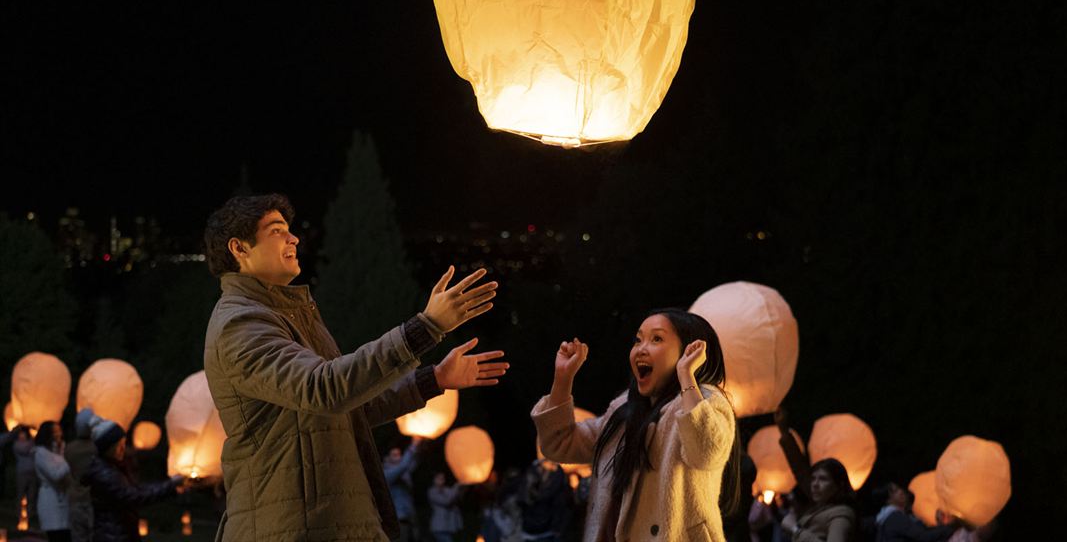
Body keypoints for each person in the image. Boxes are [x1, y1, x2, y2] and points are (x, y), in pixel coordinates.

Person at [202, 193, 509, 542]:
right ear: (239, 249)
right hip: (294, 525)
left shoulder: (291, 315)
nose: (294, 238)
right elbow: (323, 389)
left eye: (289, 230)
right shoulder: (240, 322)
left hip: (331, 521)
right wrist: (424, 328)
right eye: (276, 231)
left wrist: (433, 380)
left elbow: (350, 407)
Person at [532, 308, 741, 542]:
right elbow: (559, 445)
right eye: (638, 339)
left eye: (657, 339)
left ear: (689, 352)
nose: (641, 348)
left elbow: (705, 453)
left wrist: (686, 375)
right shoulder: (624, 410)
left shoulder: (706, 401)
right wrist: (563, 379)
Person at [81, 417, 185, 542]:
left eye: (124, 444)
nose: (123, 449)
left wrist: (171, 486)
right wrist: (171, 485)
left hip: (118, 532)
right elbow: (134, 496)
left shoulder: (113, 467)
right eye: (119, 445)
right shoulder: (105, 474)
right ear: (107, 447)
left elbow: (136, 489)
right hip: (113, 535)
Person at [780, 458, 857, 542]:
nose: (815, 484)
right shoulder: (816, 509)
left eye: (823, 479)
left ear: (839, 485)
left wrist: (795, 529)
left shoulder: (841, 514)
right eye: (813, 479)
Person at [875, 483, 954, 542]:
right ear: (888, 500)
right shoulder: (895, 518)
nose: (901, 492)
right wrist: (949, 528)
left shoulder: (893, 516)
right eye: (895, 492)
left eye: (898, 489)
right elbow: (922, 537)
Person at [34, 420, 73, 542]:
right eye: (56, 431)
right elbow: (55, 475)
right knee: (56, 536)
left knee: (66, 535)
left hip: (64, 499)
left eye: (59, 430)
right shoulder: (40, 453)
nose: (59, 434)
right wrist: (68, 459)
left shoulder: (59, 451)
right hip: (50, 500)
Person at [65, 409, 100, 542]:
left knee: (78, 536)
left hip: (75, 499)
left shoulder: (69, 449)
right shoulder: (97, 448)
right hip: (94, 499)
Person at [384, 437, 422, 541]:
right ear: (387, 458)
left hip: (411, 518)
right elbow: (404, 465)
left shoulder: (404, 473)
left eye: (400, 454)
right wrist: (413, 445)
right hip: (399, 521)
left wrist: (420, 445)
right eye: (395, 455)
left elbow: (414, 461)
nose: (399, 457)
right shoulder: (387, 474)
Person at [428, 471, 465, 542]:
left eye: (443, 478)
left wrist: (463, 486)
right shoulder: (432, 492)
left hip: (450, 526)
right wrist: (456, 486)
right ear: (434, 479)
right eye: (439, 478)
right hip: (439, 527)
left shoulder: (447, 490)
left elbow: (457, 498)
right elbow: (446, 501)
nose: (441, 480)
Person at [14, 424, 40, 522]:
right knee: (20, 495)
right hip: (21, 472)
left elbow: (35, 452)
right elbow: (25, 450)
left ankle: (29, 515)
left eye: (23, 434)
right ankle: (19, 515)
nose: (22, 436)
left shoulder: (32, 443)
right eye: (20, 434)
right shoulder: (16, 444)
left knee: (31, 495)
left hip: (32, 472)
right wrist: (33, 440)